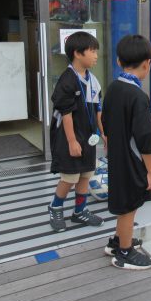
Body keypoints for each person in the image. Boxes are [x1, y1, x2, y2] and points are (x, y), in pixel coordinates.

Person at [101, 34, 151, 270]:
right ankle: (125, 253)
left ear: (118, 61)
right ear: (147, 63)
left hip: (117, 156)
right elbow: (145, 139)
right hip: (132, 159)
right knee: (129, 206)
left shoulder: (114, 88)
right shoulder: (138, 96)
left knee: (123, 201)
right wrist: (150, 172)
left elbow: (105, 120)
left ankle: (117, 241)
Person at [47, 31, 106, 232]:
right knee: (70, 177)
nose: (96, 55)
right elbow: (66, 115)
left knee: (85, 175)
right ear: (77, 53)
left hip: (88, 137)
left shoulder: (93, 81)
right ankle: (55, 207)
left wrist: (104, 134)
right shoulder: (67, 80)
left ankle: (79, 211)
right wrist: (72, 141)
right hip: (68, 136)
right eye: (92, 51)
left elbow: (98, 111)